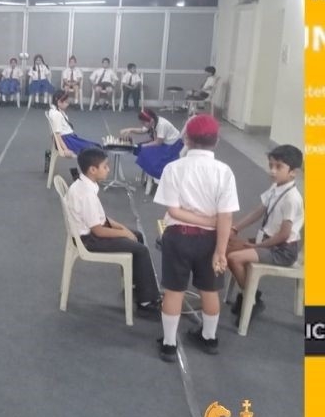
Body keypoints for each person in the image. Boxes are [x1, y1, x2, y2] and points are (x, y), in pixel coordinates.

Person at [153, 114, 239, 362]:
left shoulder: (174, 168)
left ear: (187, 139)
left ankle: (169, 344)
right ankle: (209, 338)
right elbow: (226, 216)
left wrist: (201, 220)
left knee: (174, 291)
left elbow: (173, 210)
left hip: (177, 237)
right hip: (211, 241)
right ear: (217, 141)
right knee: (210, 290)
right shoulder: (224, 171)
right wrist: (220, 250)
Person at [64, 148, 163, 318]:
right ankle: (146, 302)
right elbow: (98, 230)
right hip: (89, 240)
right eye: (105, 166)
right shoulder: (86, 194)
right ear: (92, 170)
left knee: (137, 236)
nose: (108, 169)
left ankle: (138, 286)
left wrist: (122, 228)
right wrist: (124, 233)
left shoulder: (85, 184)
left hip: (91, 232)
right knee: (141, 249)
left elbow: (101, 218)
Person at [226, 144, 304, 320]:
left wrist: (256, 246)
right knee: (227, 248)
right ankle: (251, 294)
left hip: (282, 250)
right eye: (271, 166)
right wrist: (235, 228)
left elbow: (284, 235)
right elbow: (258, 211)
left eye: (279, 167)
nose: (272, 171)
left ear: (293, 172)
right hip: (267, 241)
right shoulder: (276, 187)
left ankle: (251, 299)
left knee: (234, 258)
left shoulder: (292, 198)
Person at [120, 109, 183, 180]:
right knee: (138, 148)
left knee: (145, 151)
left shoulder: (161, 125)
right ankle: (148, 174)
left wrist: (144, 145)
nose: (143, 125)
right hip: (163, 142)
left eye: (144, 123)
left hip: (172, 146)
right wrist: (130, 130)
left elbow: (158, 142)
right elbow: (142, 130)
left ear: (151, 120)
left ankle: (154, 175)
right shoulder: (153, 121)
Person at [48, 91, 101, 156]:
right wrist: (65, 149)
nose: (68, 104)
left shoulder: (55, 110)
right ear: (59, 102)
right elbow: (57, 135)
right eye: (66, 102)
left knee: (95, 146)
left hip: (69, 138)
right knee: (94, 149)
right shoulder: (56, 114)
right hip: (67, 141)